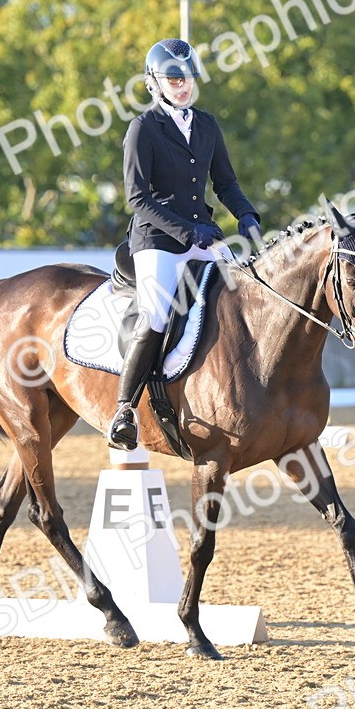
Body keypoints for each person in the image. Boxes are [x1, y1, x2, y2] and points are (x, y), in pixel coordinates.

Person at [107, 38, 263, 451]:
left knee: (245, 292)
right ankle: (124, 408)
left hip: (204, 234)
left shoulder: (207, 124)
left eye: (188, 78)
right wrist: (187, 232)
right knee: (157, 314)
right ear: (155, 83)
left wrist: (246, 214)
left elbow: (225, 183)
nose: (183, 85)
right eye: (174, 79)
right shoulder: (143, 128)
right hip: (157, 239)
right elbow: (137, 198)